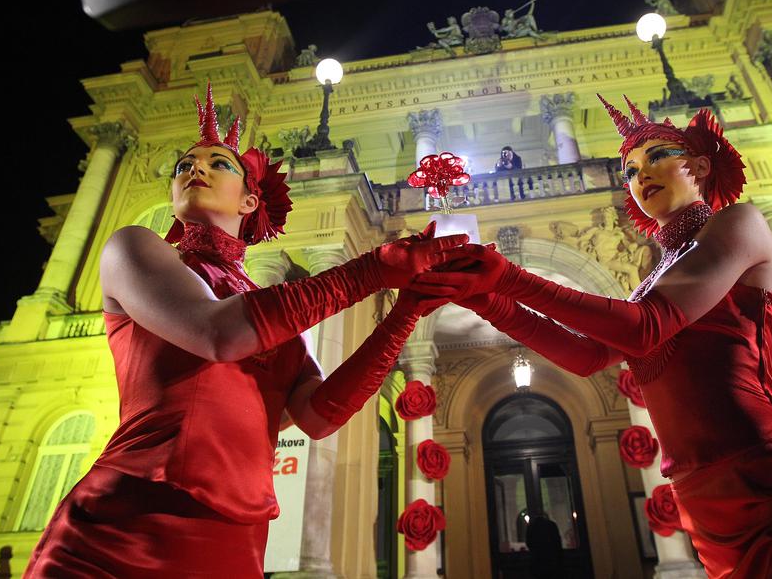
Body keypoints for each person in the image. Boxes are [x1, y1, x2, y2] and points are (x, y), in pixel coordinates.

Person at [412, 95, 772, 577]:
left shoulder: (739, 223)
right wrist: (485, 300)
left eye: (655, 156)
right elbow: (587, 356)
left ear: (700, 166)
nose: (640, 175)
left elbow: (647, 326)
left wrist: (507, 279)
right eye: (628, 170)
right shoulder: (654, 277)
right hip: (708, 508)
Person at [23, 83, 465, 578]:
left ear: (249, 203)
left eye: (219, 163)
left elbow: (318, 414)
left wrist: (406, 313)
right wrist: (373, 272)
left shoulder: (269, 310)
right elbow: (218, 334)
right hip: (126, 529)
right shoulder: (135, 250)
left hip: (234, 544)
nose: (196, 169)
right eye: (184, 165)